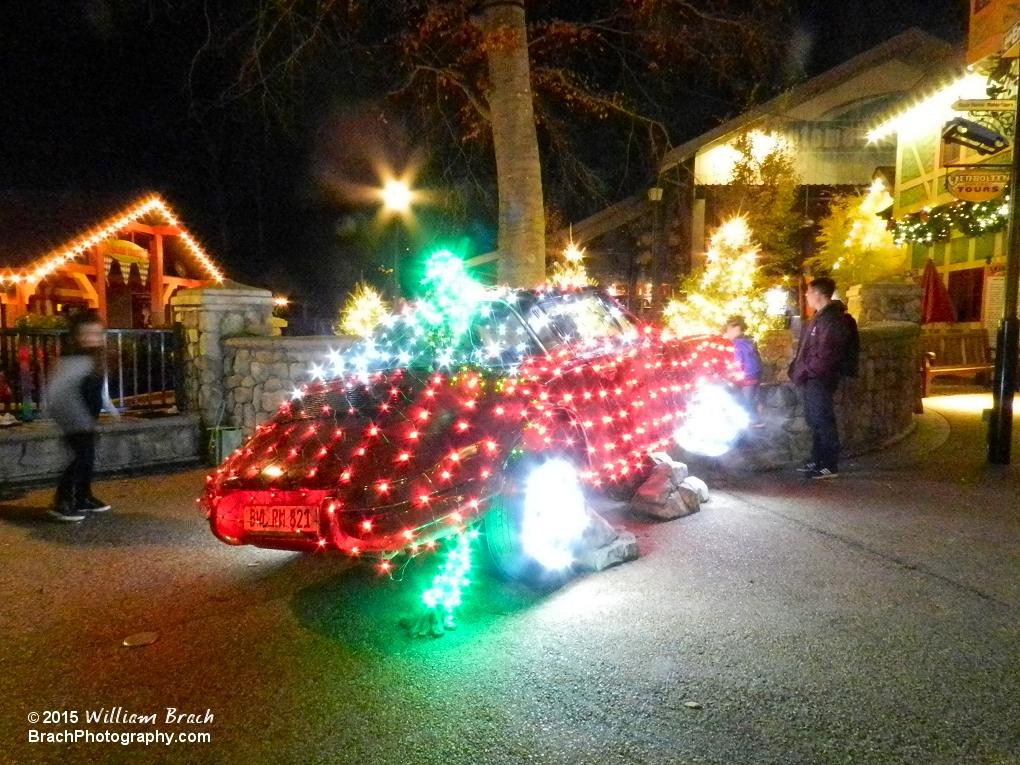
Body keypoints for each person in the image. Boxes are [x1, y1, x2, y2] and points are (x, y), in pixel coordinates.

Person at [45, 310, 116, 521]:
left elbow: (97, 389)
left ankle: (83, 497)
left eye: (97, 333)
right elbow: (58, 393)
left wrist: (108, 409)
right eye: (87, 334)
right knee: (81, 458)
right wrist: (78, 420)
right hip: (75, 420)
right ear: (76, 335)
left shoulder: (93, 357)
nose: (92, 338)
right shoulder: (72, 359)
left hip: (86, 418)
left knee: (87, 458)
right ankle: (62, 501)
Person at [788, 277, 852, 480]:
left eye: (808, 292)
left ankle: (829, 464)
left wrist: (807, 371)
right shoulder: (820, 317)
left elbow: (827, 354)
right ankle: (817, 458)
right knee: (814, 419)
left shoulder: (832, 319)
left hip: (820, 378)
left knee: (823, 420)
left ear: (818, 294)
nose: (806, 296)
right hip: (812, 378)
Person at [724, 315, 763, 426]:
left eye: (728, 330)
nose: (727, 333)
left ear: (736, 328)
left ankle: (754, 422)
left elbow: (738, 361)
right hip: (755, 375)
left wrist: (732, 376)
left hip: (746, 377)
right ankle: (755, 418)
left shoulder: (737, 344)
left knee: (746, 402)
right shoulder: (750, 341)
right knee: (751, 399)